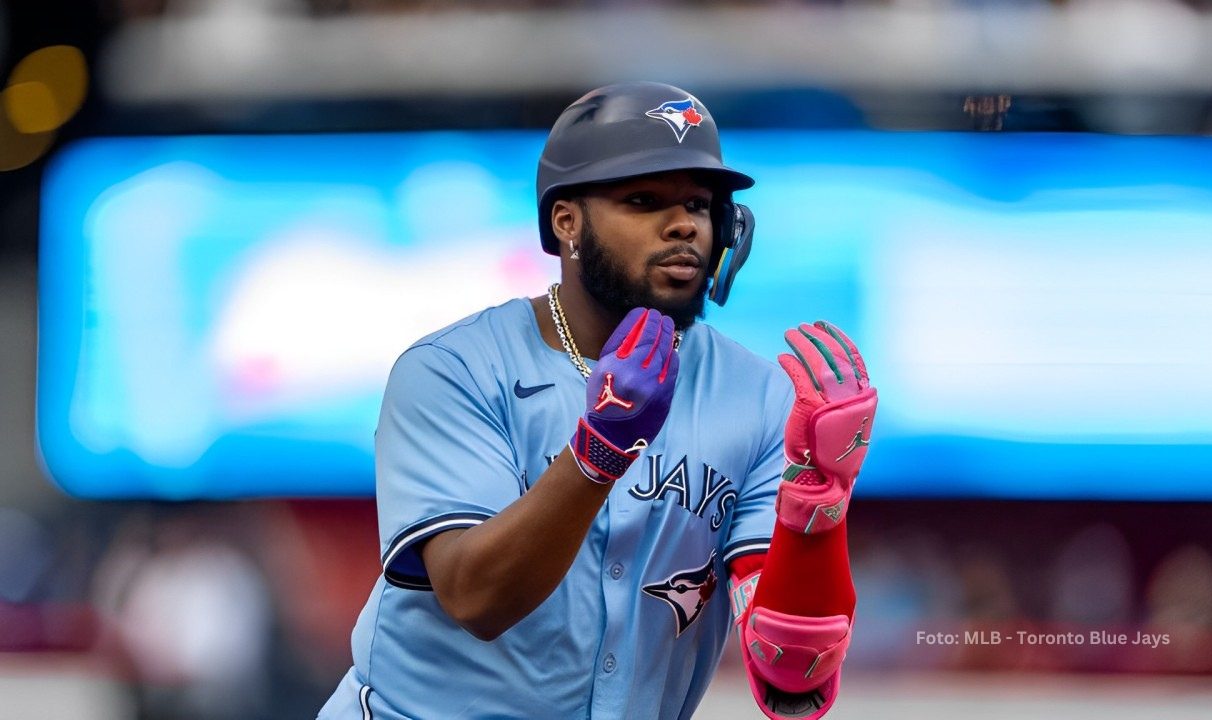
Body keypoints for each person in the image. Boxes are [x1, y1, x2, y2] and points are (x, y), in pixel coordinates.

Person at [318, 81, 878, 720]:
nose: (683, 224)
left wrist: (816, 506)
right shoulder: (453, 370)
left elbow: (788, 675)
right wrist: (598, 453)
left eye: (699, 203)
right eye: (643, 200)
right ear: (566, 223)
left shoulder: (755, 396)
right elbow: (476, 599)